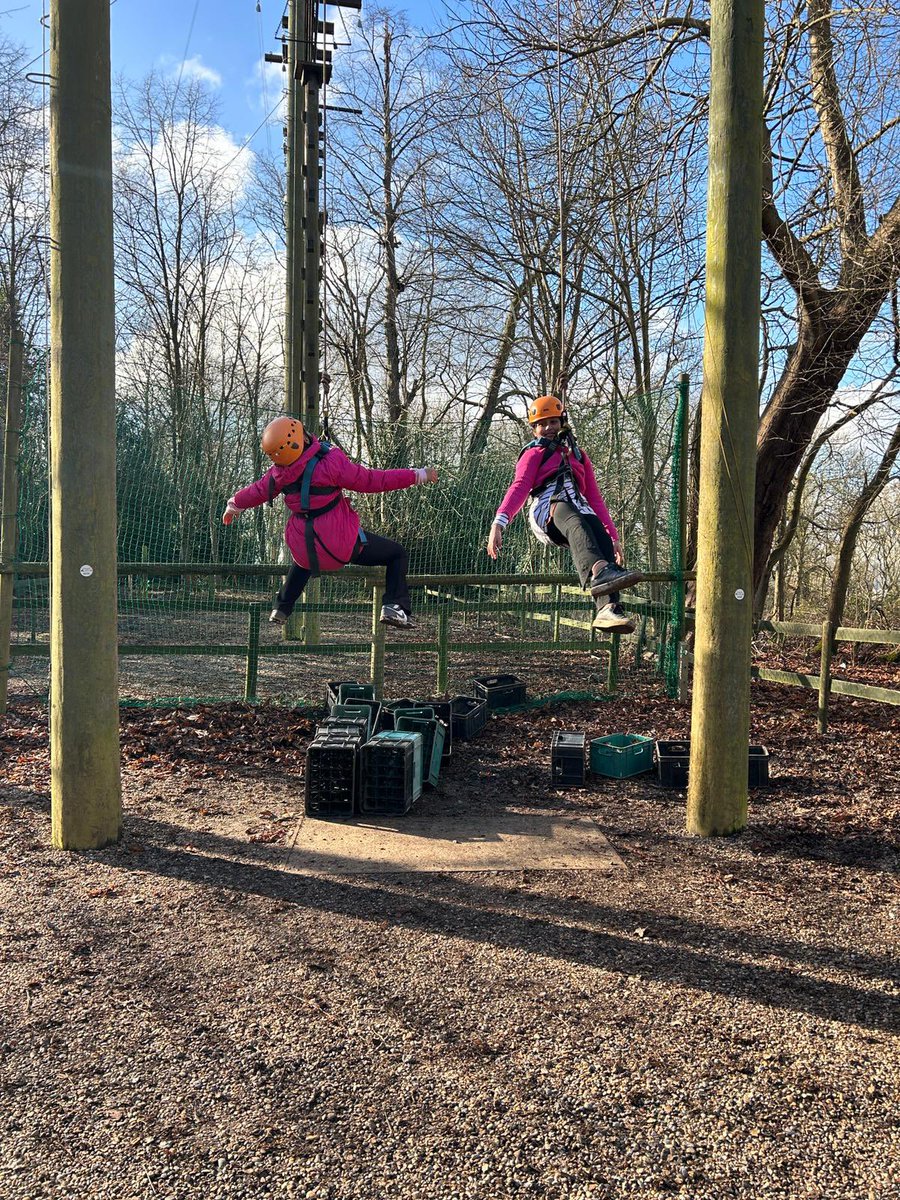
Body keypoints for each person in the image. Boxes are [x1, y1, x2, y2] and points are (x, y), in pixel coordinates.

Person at [223, 416, 437, 628]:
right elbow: (373, 480)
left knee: (304, 557)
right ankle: (394, 606)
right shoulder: (331, 462)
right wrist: (417, 475)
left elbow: (255, 492)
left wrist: (233, 505)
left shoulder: (277, 475)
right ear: (302, 439)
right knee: (396, 553)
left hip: (304, 548)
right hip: (339, 546)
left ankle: (282, 607)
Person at [486, 395, 642, 632]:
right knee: (571, 515)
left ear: (562, 423)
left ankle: (608, 609)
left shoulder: (578, 455)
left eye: (553, 422)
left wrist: (613, 536)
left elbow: (595, 498)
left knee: (597, 532)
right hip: (547, 509)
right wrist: (499, 522)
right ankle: (600, 571)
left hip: (577, 507)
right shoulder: (534, 453)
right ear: (534, 430)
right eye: (542, 424)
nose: (548, 428)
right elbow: (520, 486)